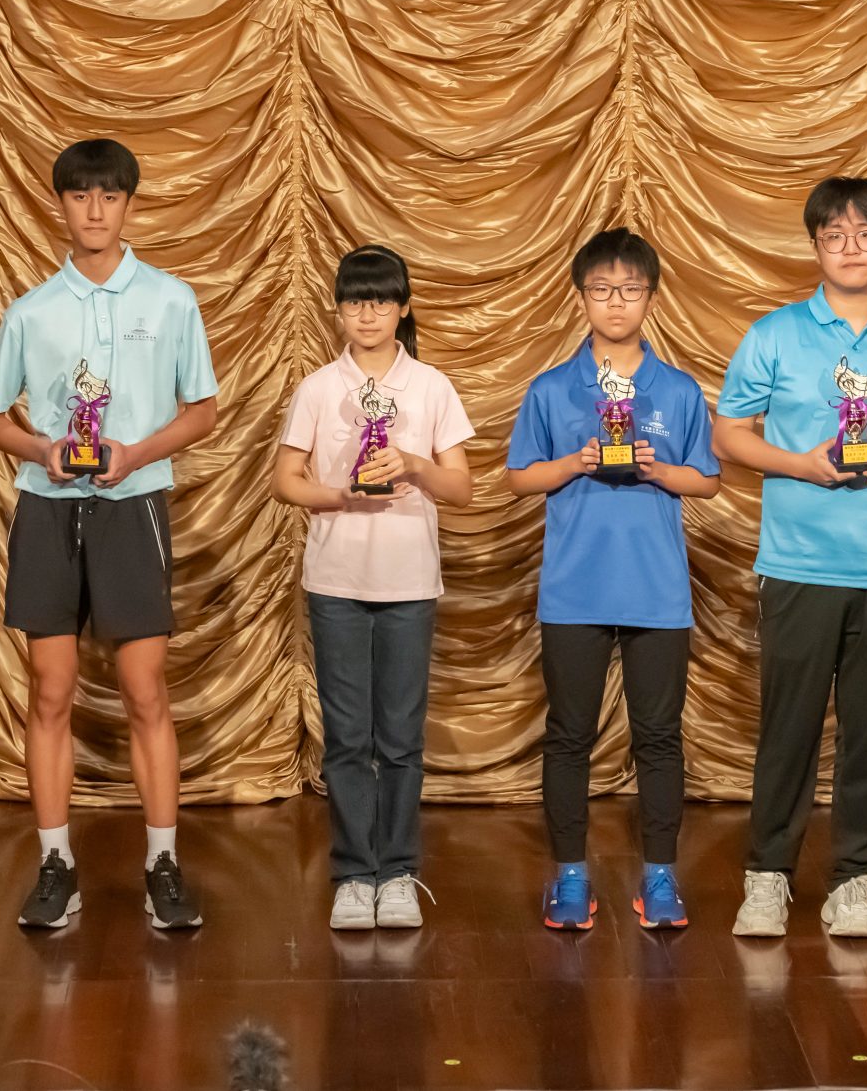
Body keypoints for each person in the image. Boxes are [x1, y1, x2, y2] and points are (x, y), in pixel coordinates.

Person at [0, 139, 220, 931]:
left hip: (133, 506)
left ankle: (162, 863)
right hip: (47, 507)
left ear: (129, 204)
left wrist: (135, 453)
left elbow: (203, 410)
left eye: (109, 196)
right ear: (60, 205)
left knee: (145, 689)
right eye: (80, 195)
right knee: (50, 690)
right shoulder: (31, 309)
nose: (95, 210)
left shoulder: (172, 300)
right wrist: (41, 447)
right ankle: (56, 863)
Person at [716, 176, 867, 940]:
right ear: (816, 245)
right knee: (787, 728)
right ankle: (767, 877)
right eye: (835, 236)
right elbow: (729, 434)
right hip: (798, 563)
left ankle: (854, 880)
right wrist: (801, 463)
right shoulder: (775, 334)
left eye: (866, 234)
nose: (852, 248)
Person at [504, 228, 721, 932]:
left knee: (658, 737)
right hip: (574, 589)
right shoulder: (551, 388)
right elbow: (518, 477)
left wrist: (658, 468)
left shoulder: (678, 389)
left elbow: (707, 480)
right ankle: (569, 875)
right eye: (601, 289)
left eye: (630, 289)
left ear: (651, 297)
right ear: (581, 297)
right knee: (569, 735)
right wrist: (576, 461)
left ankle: (660, 876)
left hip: (658, 591)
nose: (616, 301)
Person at [273, 246, 474, 931]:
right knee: (347, 737)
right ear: (337, 310)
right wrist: (340, 495)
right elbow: (285, 480)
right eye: (355, 301)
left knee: (401, 739)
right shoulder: (318, 387)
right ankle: (355, 875)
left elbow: (462, 487)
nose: (368, 313)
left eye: (381, 301)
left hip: (409, 581)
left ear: (403, 308)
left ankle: (399, 873)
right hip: (336, 581)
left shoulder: (431, 386)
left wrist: (414, 465)